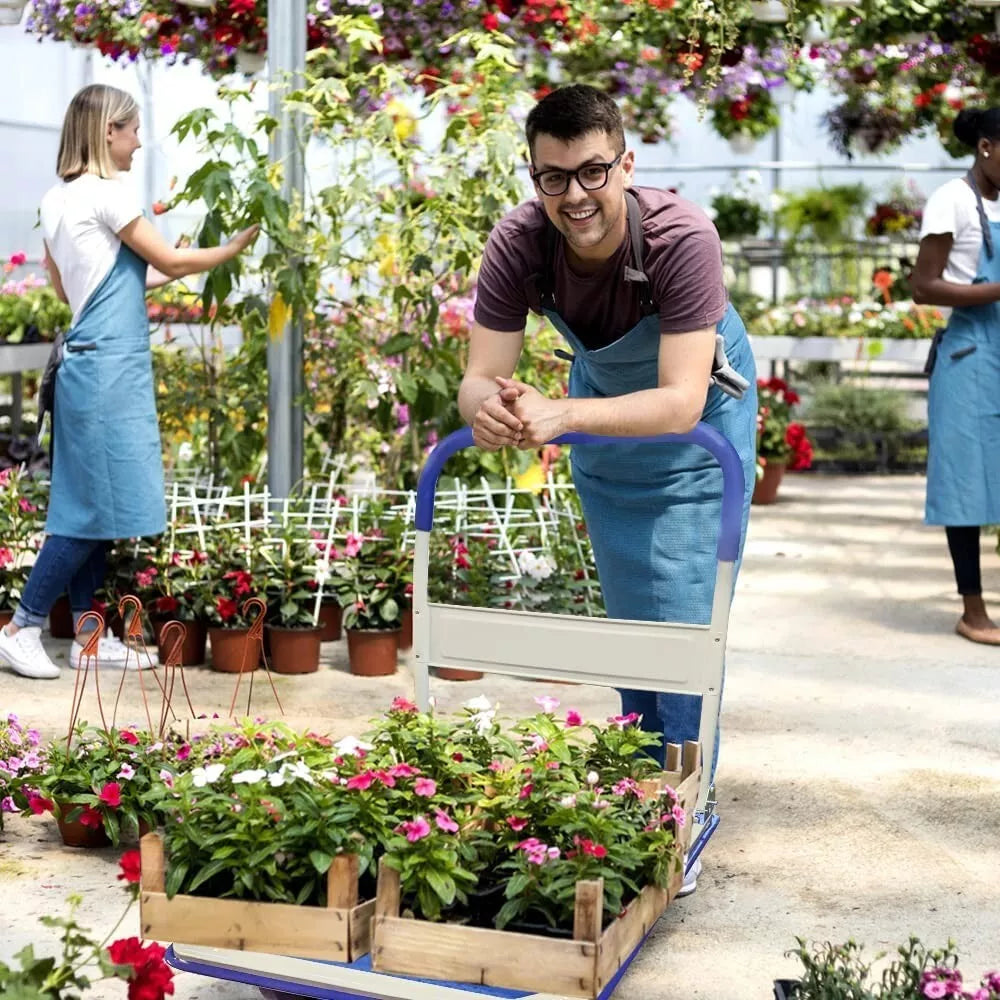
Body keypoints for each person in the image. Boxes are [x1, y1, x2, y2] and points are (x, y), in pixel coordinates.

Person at [459, 85, 758, 888]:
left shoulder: (678, 237)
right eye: (553, 177)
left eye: (592, 172)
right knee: (632, 613)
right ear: (534, 178)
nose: (575, 196)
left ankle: (682, 810)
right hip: (604, 433)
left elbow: (681, 399)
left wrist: (559, 415)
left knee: (687, 621)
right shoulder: (521, 241)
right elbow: (479, 376)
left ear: (625, 164)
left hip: (698, 442)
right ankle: (639, 787)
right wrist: (491, 411)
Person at [0, 84, 258, 680]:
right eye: (133, 129)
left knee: (101, 506)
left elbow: (78, 291)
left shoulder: (59, 199)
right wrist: (230, 249)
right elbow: (166, 262)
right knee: (87, 510)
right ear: (107, 132)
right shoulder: (108, 196)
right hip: (106, 372)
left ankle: (90, 639)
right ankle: (23, 625)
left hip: (91, 362)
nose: (140, 141)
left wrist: (169, 265)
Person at [912, 107, 1000, 646]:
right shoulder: (952, 199)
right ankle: (973, 610)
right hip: (970, 354)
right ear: (987, 147)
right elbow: (924, 286)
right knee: (966, 481)